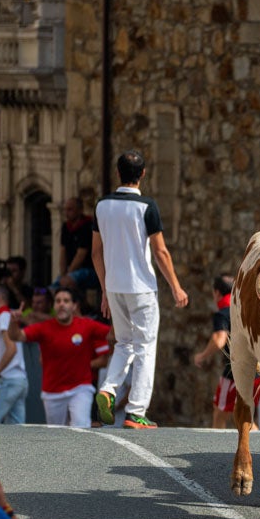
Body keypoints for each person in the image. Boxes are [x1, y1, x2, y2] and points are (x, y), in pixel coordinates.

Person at [92, 150, 189, 430]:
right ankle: (136, 411)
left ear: (117, 172)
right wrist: (176, 287)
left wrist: (103, 290)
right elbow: (160, 252)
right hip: (142, 288)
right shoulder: (147, 206)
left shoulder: (101, 205)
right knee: (145, 346)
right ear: (143, 174)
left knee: (124, 343)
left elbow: (96, 253)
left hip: (114, 286)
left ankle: (108, 389)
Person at [9, 287, 110, 428]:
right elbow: (16, 336)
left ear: (74, 305)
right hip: (53, 392)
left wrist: (120, 312)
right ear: (54, 306)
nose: (62, 304)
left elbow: (113, 335)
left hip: (81, 388)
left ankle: (84, 451)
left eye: (66, 301)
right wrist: (13, 322)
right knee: (58, 434)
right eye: (58, 301)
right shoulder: (43, 328)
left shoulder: (87, 325)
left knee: (82, 427)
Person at [193, 275, 239, 429]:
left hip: (234, 373)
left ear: (217, 293)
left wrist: (202, 356)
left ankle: (215, 450)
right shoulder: (242, 310)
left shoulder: (223, 313)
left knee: (219, 413)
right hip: (257, 372)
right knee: (245, 417)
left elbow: (219, 339)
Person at [0, 284, 28, 425]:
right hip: (19, 379)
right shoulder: (5, 316)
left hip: (9, 380)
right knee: (16, 430)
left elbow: (11, 348)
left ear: (0, 298)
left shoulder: (3, 316)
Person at [54, 194, 100, 295]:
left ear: (80, 210)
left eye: (70, 209)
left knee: (69, 282)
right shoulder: (66, 227)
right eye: (65, 210)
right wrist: (63, 274)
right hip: (72, 271)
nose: (66, 213)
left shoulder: (87, 226)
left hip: (89, 269)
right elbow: (63, 252)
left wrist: (68, 274)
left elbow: (81, 255)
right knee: (54, 286)